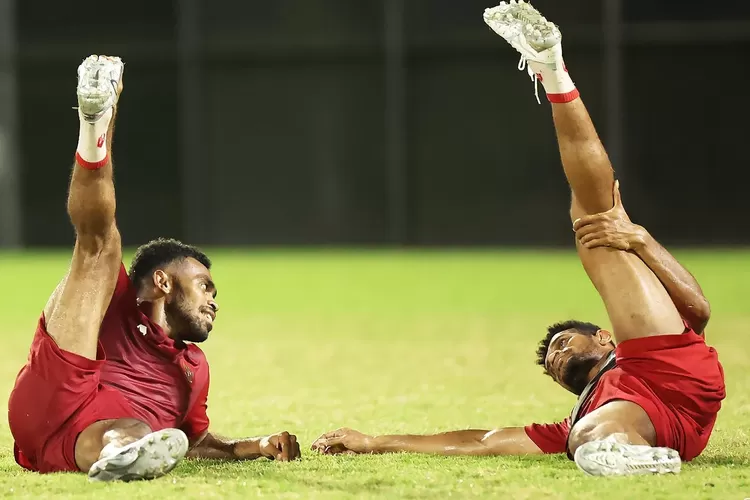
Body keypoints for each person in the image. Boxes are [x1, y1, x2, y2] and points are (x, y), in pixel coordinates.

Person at [311, 1, 725, 476]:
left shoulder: (636, 351)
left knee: (595, 225)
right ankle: (631, 456)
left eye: (564, 343)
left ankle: (552, 68)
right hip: (637, 420)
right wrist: (375, 441)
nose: (557, 356)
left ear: (604, 336)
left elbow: (699, 310)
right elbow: (482, 441)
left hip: (667, 371)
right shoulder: (581, 413)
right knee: (585, 435)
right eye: (553, 360)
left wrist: (640, 239)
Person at [7, 55, 301, 482]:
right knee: (99, 247)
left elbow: (194, 441)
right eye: (204, 286)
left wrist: (255, 446)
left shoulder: (194, 368)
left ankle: (118, 455)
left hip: (83, 443)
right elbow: (97, 227)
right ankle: (94, 124)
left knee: (136, 431)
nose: (213, 301)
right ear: (162, 281)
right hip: (58, 388)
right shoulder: (120, 300)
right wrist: (107, 115)